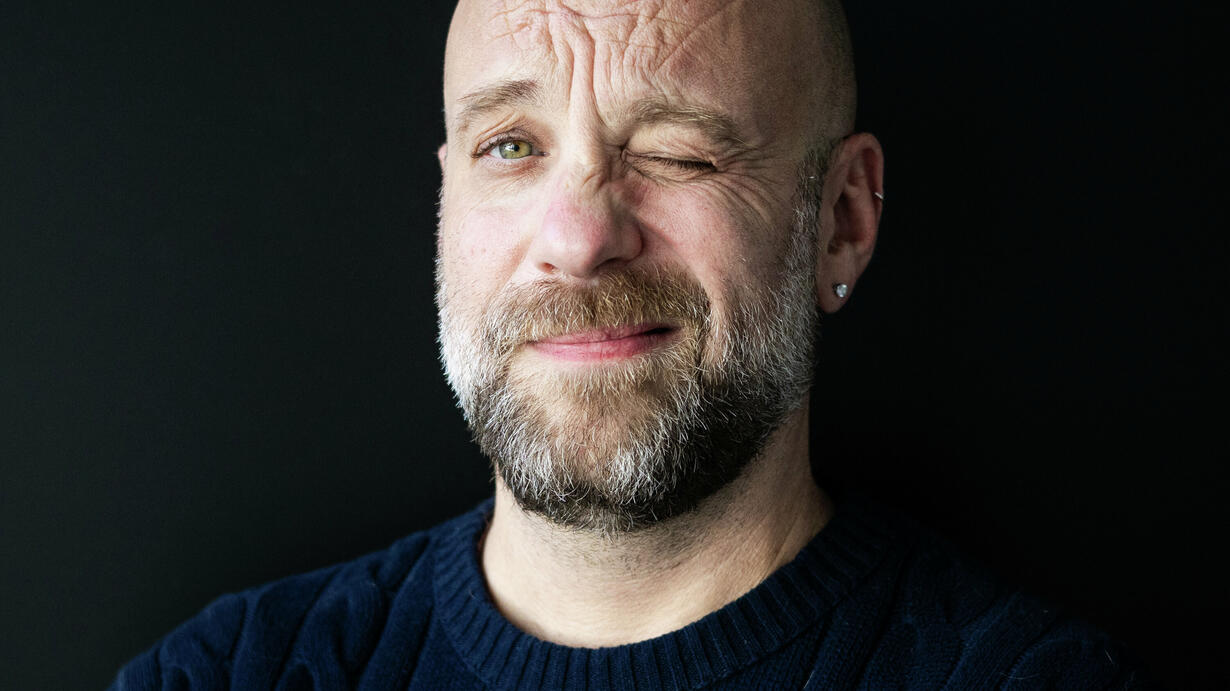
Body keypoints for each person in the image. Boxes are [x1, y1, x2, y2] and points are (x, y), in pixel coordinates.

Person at [112, 0, 1150, 688]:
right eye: (509, 146)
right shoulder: (225, 673)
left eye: (679, 150)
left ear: (842, 220)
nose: (578, 238)